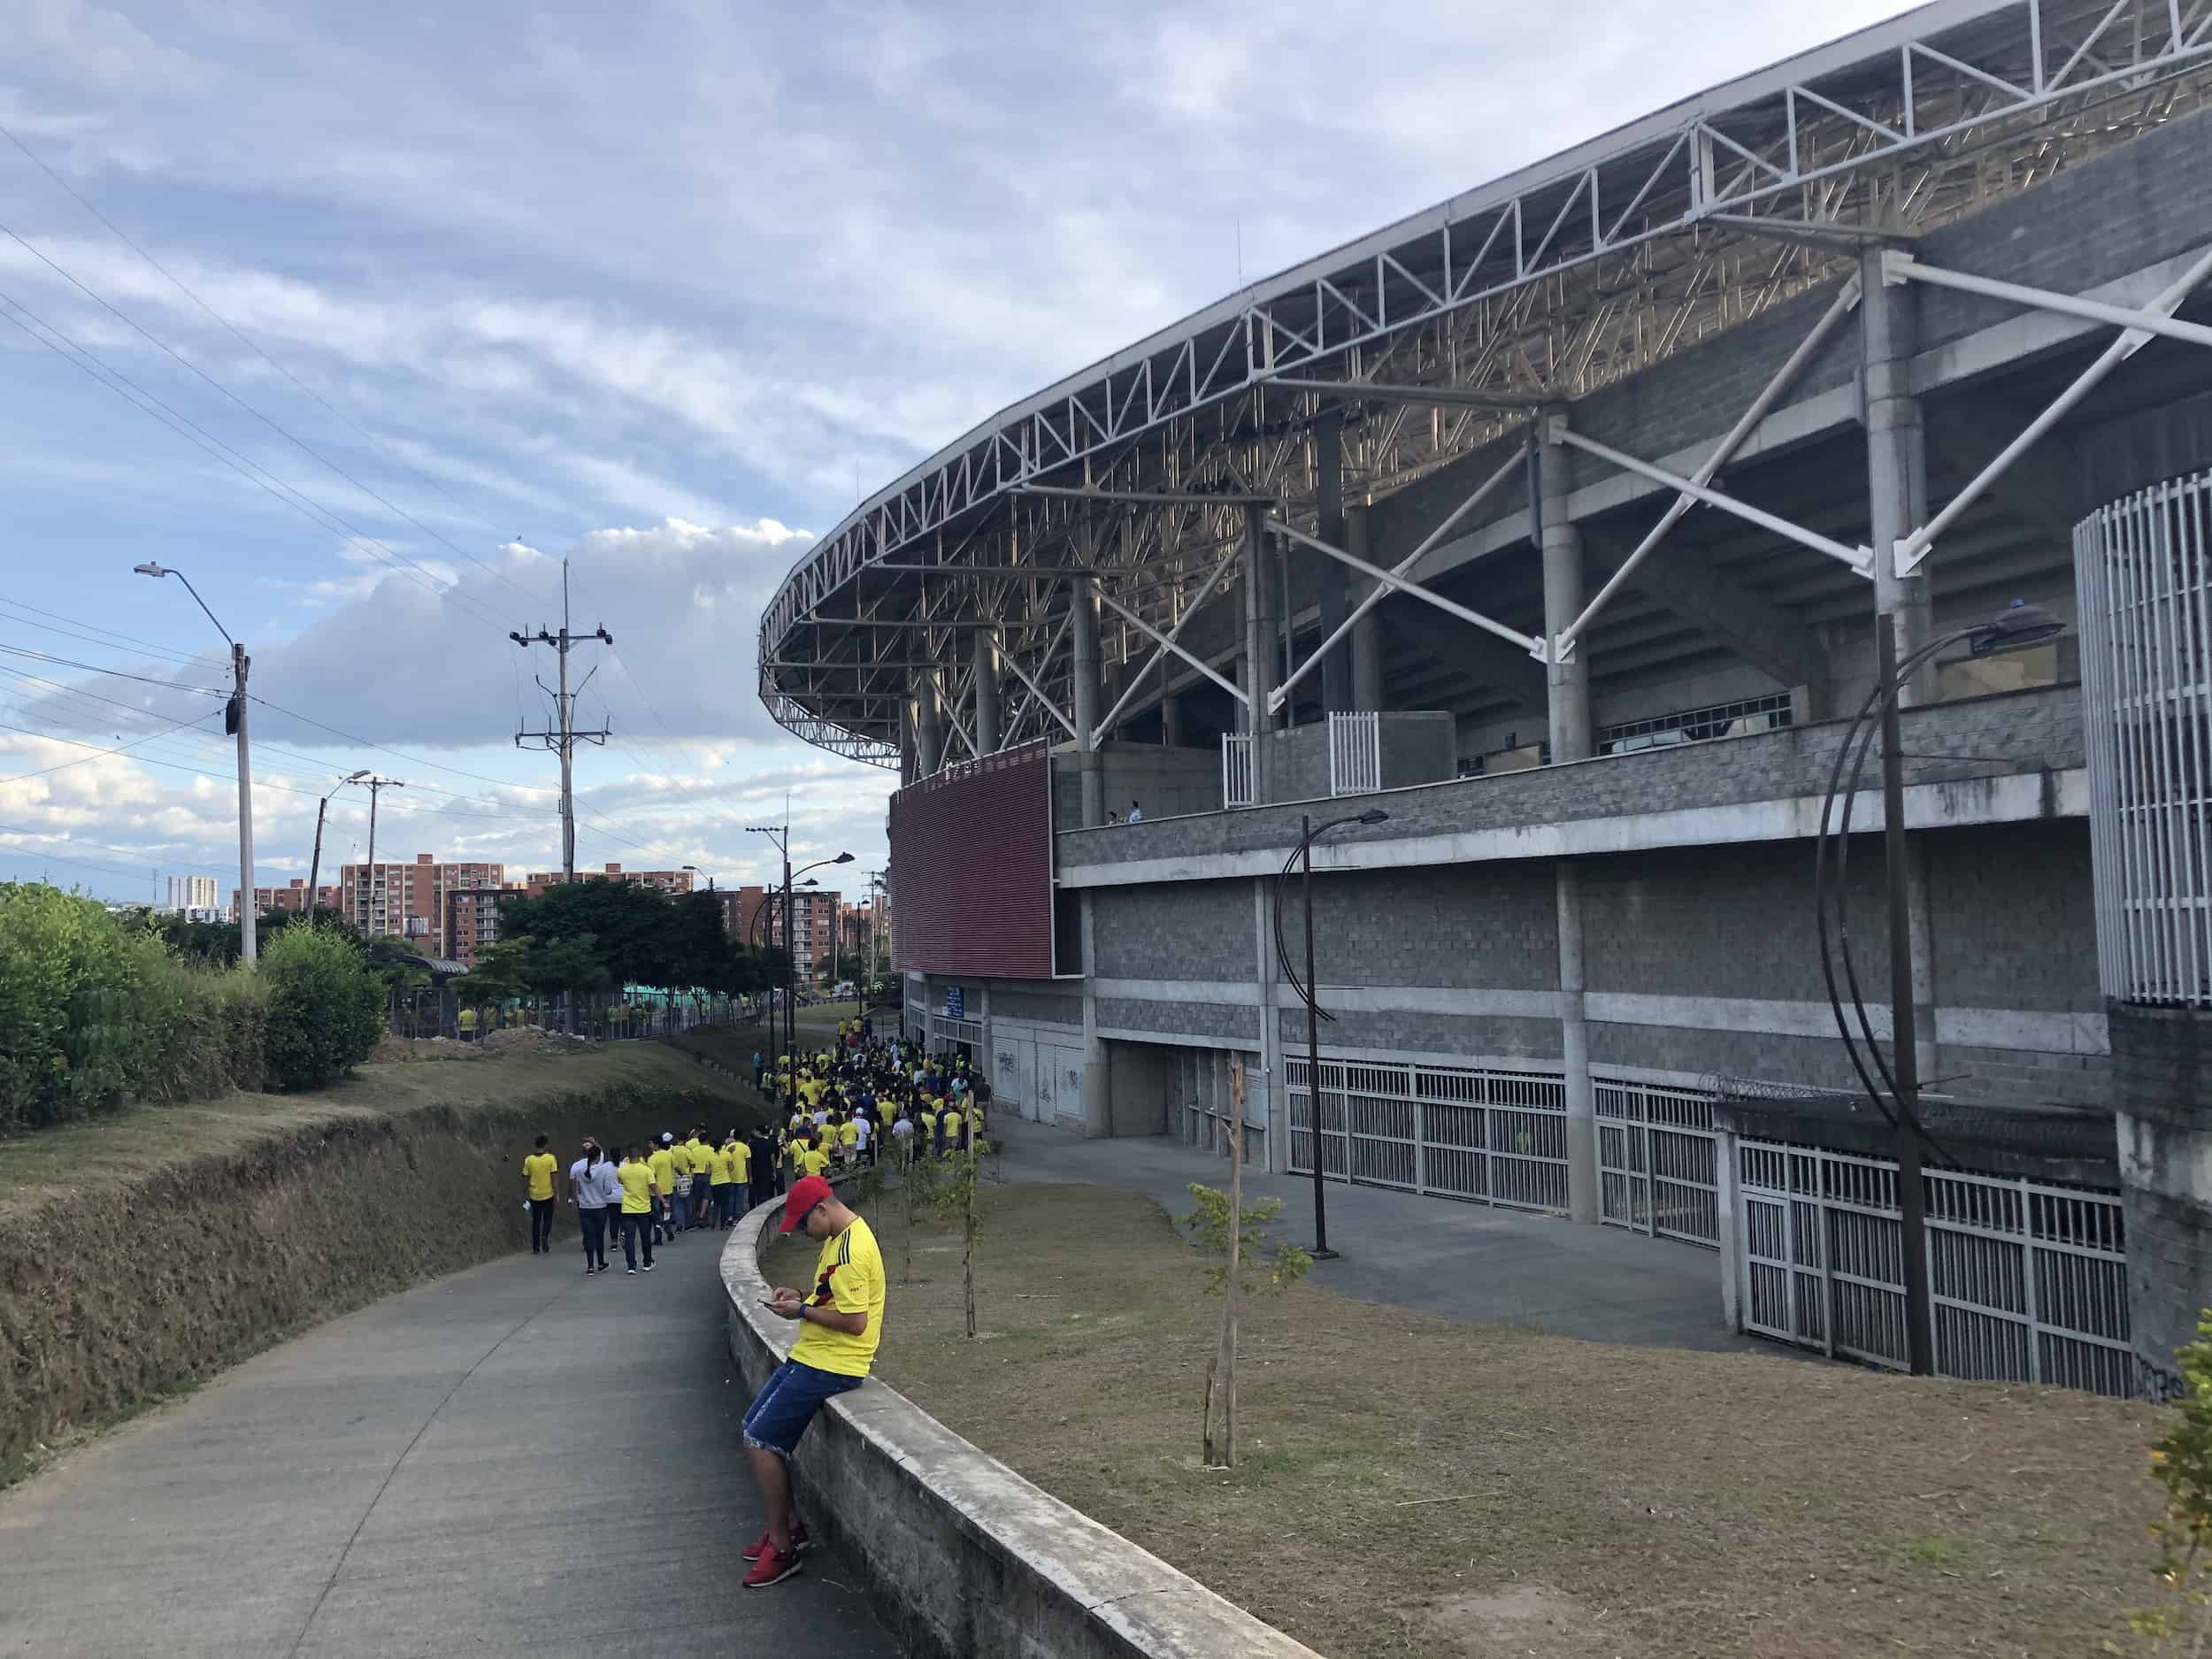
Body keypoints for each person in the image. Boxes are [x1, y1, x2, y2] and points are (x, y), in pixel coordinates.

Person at [741, 1175, 886, 1589]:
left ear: (821, 1209)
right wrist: (801, 1297)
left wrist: (801, 1313)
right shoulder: (838, 1239)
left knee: (761, 1441)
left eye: (803, 1224)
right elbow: (834, 1300)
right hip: (814, 1354)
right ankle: (787, 1528)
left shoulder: (853, 1248)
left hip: (834, 1363)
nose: (802, 1233)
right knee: (752, 1428)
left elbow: (856, 1323)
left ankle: (784, 1547)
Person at [614, 1144, 657, 1274]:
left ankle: (631, 1266)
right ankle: (647, 1262)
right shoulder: (646, 1170)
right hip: (643, 1209)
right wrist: (662, 1201)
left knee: (629, 1239)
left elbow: (620, 1182)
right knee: (645, 1237)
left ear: (628, 1156)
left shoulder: (622, 1171)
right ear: (639, 1155)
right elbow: (654, 1187)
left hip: (627, 1209)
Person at [569, 1144, 610, 1276]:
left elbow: (578, 1189)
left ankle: (590, 1266)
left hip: (585, 1207)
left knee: (588, 1237)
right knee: (599, 1236)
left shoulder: (579, 1171)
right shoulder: (603, 1170)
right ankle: (601, 1262)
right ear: (598, 1157)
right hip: (600, 1207)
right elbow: (608, 1190)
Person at [523, 1134, 558, 1255]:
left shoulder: (528, 1160)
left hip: (534, 1194)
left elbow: (525, 1178)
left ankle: (536, 1247)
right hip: (548, 1194)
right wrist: (557, 1193)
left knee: (536, 1221)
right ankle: (545, 1236)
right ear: (545, 1145)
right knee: (548, 1219)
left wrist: (525, 1195)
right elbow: (554, 1177)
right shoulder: (551, 1159)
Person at [649, 1135, 682, 1244]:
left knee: (656, 1215)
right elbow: (677, 1168)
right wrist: (683, 1174)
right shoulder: (669, 1155)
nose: (649, 1146)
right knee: (666, 1213)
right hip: (668, 1189)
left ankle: (658, 1238)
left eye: (651, 1143)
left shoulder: (652, 1159)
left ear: (656, 1144)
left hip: (656, 1192)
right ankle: (668, 1231)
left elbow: (652, 1175)